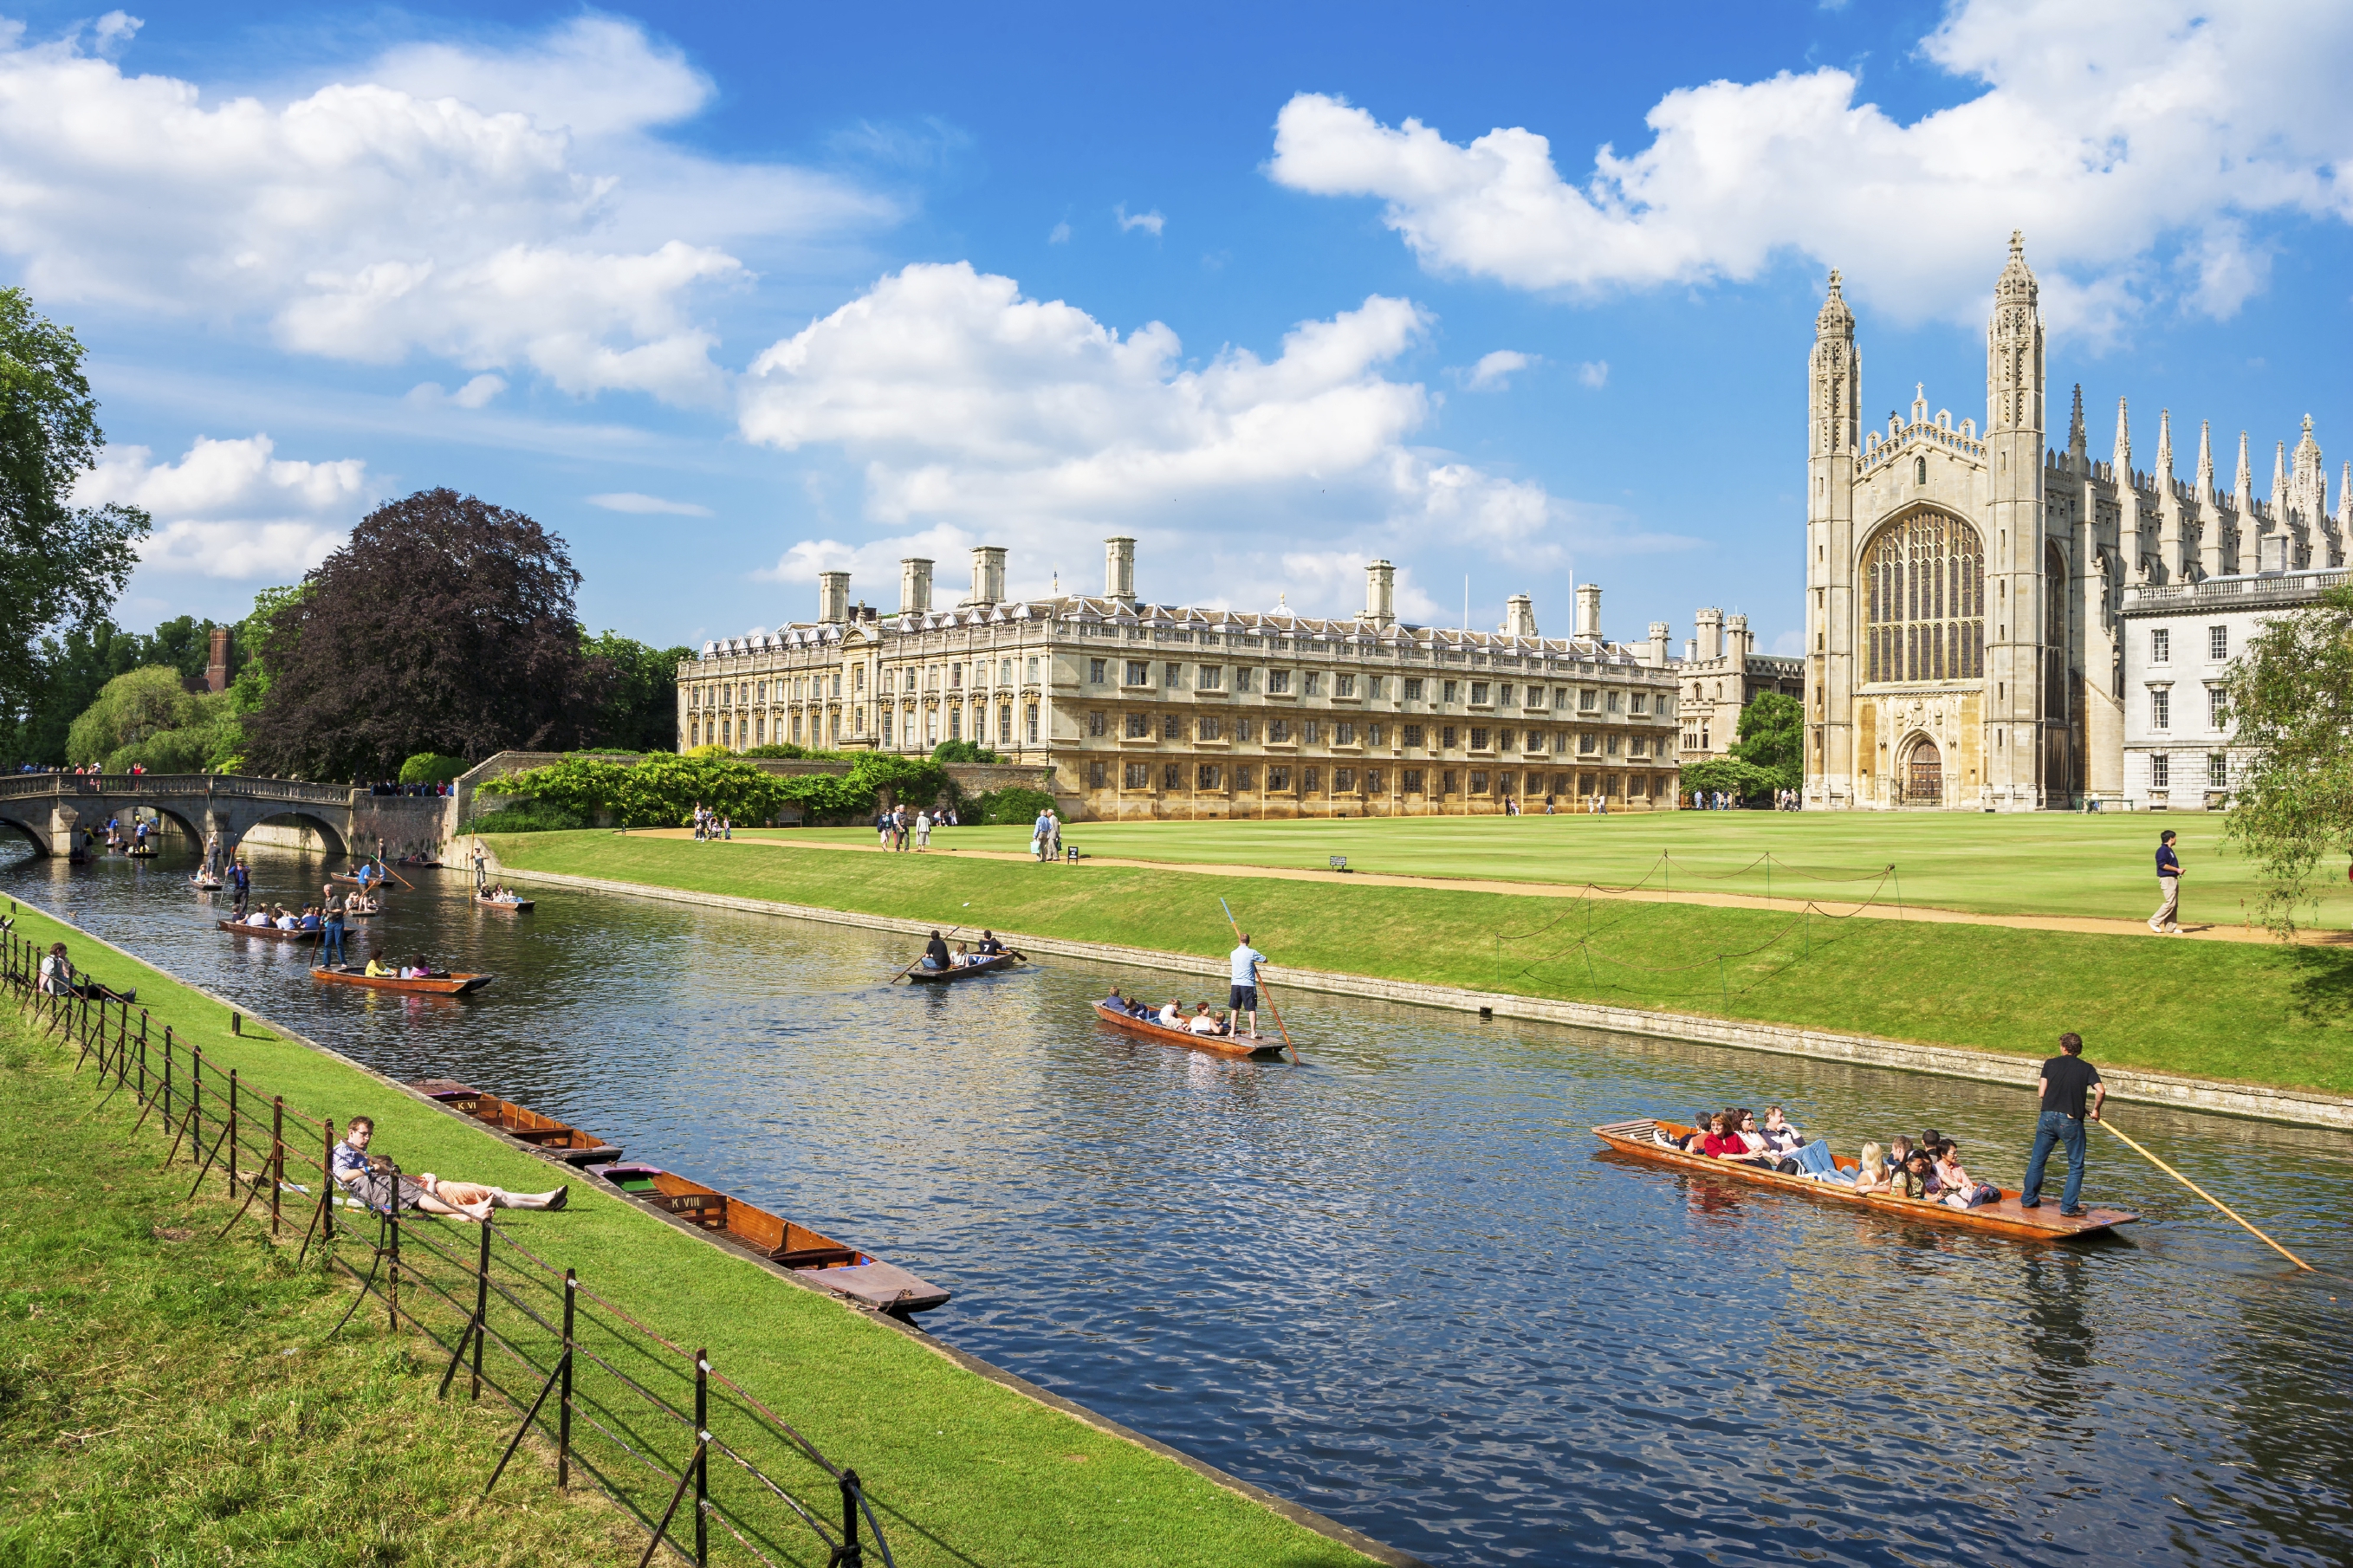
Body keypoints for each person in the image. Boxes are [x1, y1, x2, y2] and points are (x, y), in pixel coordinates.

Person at [331, 1117, 567, 1221]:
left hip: (423, 1183)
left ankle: (543, 1200)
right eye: (364, 1134)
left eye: (370, 1135)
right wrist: (373, 1169)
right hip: (427, 1187)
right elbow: (343, 1177)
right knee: (493, 1194)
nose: (367, 1138)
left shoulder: (359, 1154)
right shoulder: (344, 1151)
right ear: (351, 1132)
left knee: (494, 1191)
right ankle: (543, 1201)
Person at [2020, 1031, 2105, 1216]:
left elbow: (2042, 1093)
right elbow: (2100, 1090)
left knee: (2037, 1160)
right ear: (2078, 1050)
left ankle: (2028, 1200)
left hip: (2047, 1118)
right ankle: (2068, 1208)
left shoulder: (2050, 1064)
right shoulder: (2087, 1068)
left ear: (2064, 1048)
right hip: (2070, 1121)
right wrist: (2096, 1110)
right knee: (2076, 1165)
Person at [1228, 932, 1267, 1038]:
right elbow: (1265, 960)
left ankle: (1232, 1032)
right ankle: (1253, 1033)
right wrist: (1252, 960)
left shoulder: (1233, 953)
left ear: (1239, 941)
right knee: (1251, 1009)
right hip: (1248, 984)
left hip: (1235, 984)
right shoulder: (1252, 953)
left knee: (1235, 1008)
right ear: (1248, 942)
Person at [2150, 830, 2183, 935]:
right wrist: (2177, 870)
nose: (2176, 839)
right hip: (2167, 879)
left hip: (2172, 878)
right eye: (2175, 837)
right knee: (2170, 903)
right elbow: (2162, 865)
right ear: (2171, 838)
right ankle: (2154, 921)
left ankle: (2170, 928)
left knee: (2174, 904)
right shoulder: (2162, 850)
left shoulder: (2169, 850)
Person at [321, 886, 347, 968]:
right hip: (330, 923)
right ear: (324, 891)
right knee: (327, 944)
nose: (328, 891)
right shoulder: (326, 899)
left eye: (330, 890)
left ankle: (343, 962)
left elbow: (341, 910)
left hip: (338, 922)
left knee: (339, 942)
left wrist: (330, 911)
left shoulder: (336, 898)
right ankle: (326, 963)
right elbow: (329, 914)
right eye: (327, 890)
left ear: (332, 890)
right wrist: (324, 921)